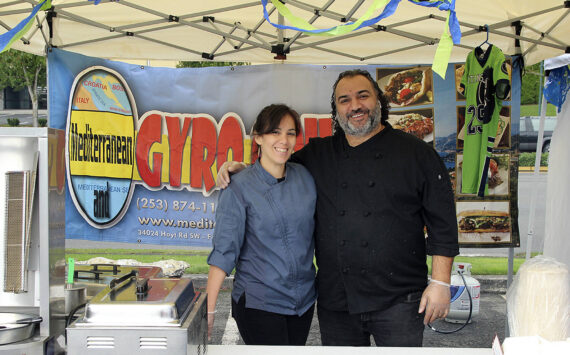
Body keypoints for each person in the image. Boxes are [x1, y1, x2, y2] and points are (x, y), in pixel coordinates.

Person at [217, 69, 459, 347]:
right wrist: (245, 170)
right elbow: (275, 168)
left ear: (379, 101)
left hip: (399, 300)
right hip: (337, 302)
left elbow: (442, 220)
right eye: (344, 100)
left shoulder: (416, 153)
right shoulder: (319, 153)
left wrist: (440, 282)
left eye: (363, 96)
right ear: (336, 110)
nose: (354, 105)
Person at [206, 104, 317, 345]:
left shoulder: (305, 177)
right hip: (259, 303)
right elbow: (223, 253)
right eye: (275, 132)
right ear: (258, 137)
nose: (284, 140)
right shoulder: (238, 187)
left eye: (290, 133)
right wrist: (210, 310)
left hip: (303, 303)